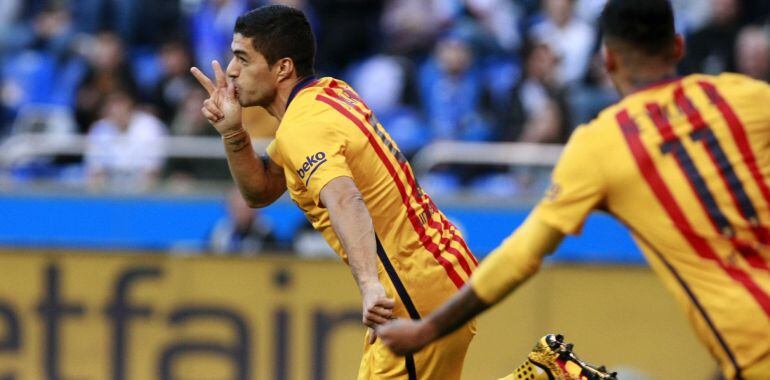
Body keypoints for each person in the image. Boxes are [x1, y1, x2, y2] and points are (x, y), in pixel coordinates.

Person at [376, 1, 770, 379]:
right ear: (679, 47)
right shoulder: (749, 97)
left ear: (609, 60)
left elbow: (520, 256)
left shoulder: (602, 145)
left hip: (755, 347)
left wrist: (428, 329)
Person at [189, 5, 478, 379]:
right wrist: (233, 133)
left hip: (410, 291)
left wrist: (370, 284)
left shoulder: (303, 128)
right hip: (442, 273)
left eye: (243, 58)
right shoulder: (331, 93)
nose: (230, 70)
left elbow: (344, 198)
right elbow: (260, 191)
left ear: (283, 68)